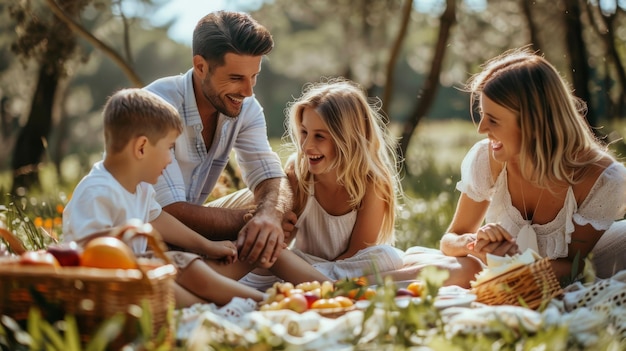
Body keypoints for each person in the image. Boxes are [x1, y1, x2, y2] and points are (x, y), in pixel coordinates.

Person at [62, 89, 328, 308]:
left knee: (249, 251)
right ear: (141, 147)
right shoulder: (97, 191)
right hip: (124, 287)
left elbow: (159, 219)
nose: (169, 159)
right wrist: (148, 258)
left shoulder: (139, 188)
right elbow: (88, 250)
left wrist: (208, 246)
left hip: (155, 274)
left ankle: (327, 290)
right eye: (168, 149)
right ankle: (256, 303)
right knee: (177, 266)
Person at [438, 47, 626, 284]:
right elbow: (449, 240)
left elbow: (571, 268)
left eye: (493, 120)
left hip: (567, 279)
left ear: (534, 124)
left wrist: (517, 262)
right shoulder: (488, 159)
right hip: (508, 281)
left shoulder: (601, 180)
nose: (481, 129)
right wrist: (475, 243)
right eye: (482, 114)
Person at [143, 11, 291, 268]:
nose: (247, 92)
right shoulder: (155, 106)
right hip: (144, 229)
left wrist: (269, 215)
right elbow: (168, 212)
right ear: (201, 66)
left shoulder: (246, 107)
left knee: (289, 194)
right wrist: (250, 221)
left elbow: (269, 175)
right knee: (272, 222)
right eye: (236, 78)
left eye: (253, 77)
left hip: (189, 228)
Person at [238, 78, 405, 289]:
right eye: (304, 133)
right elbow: (286, 239)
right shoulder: (298, 172)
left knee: (385, 257)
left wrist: (304, 273)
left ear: (347, 139)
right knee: (275, 259)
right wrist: (283, 230)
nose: (307, 146)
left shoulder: (372, 183)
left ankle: (314, 283)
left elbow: (357, 255)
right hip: (307, 262)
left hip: (346, 266)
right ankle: (325, 284)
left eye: (319, 136)